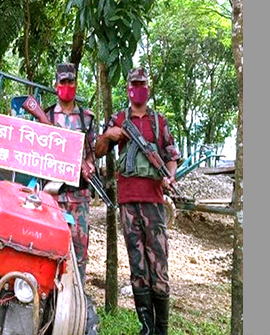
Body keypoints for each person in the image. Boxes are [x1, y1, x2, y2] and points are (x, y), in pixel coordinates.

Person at [95, 67, 180, 335]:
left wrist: (169, 177)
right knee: (137, 266)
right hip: (128, 204)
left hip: (154, 203)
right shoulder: (119, 118)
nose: (138, 88)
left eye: (142, 84)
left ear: (148, 87)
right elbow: (98, 150)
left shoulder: (159, 122)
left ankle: (161, 329)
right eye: (134, 84)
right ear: (129, 88)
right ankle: (146, 326)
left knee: (159, 267)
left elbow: (171, 155)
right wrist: (109, 135)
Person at [44, 63, 99, 332]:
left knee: (78, 257)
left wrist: (88, 165)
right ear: (56, 84)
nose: (67, 86)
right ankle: (46, 310)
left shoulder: (86, 119)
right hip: (51, 196)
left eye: (71, 82)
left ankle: (73, 311)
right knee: (47, 251)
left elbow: (92, 154)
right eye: (63, 81)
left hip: (78, 197)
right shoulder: (44, 115)